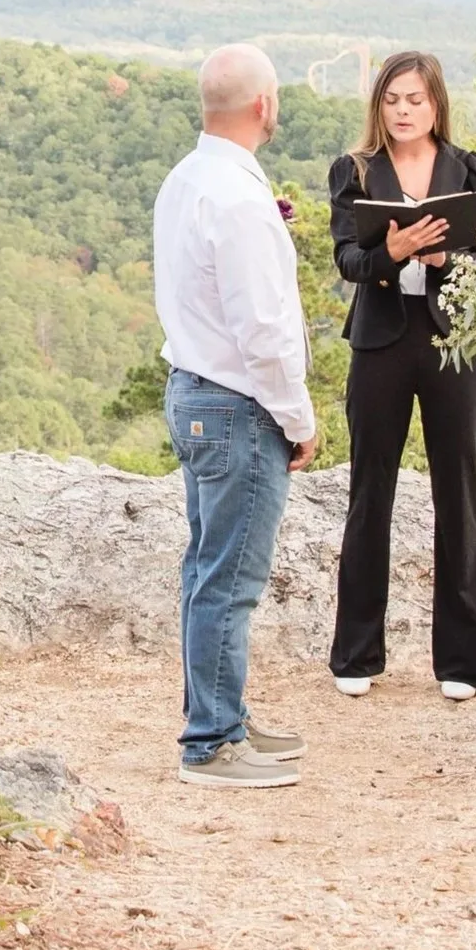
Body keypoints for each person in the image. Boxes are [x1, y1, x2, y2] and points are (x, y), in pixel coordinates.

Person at [152, 43, 318, 790]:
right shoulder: (240, 199)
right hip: (234, 404)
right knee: (228, 578)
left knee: (205, 568)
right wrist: (297, 416)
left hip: (191, 389)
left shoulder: (186, 179)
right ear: (264, 106)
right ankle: (212, 742)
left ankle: (224, 712)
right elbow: (263, 329)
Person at [326, 52, 476, 702]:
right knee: (369, 492)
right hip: (379, 340)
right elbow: (346, 255)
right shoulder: (354, 169)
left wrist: (444, 256)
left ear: (435, 105)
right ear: (379, 105)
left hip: (449, 341)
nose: (403, 111)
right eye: (392, 99)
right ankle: (355, 654)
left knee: (456, 492)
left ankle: (461, 662)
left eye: (415, 100)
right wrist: (388, 254)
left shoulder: (467, 168)